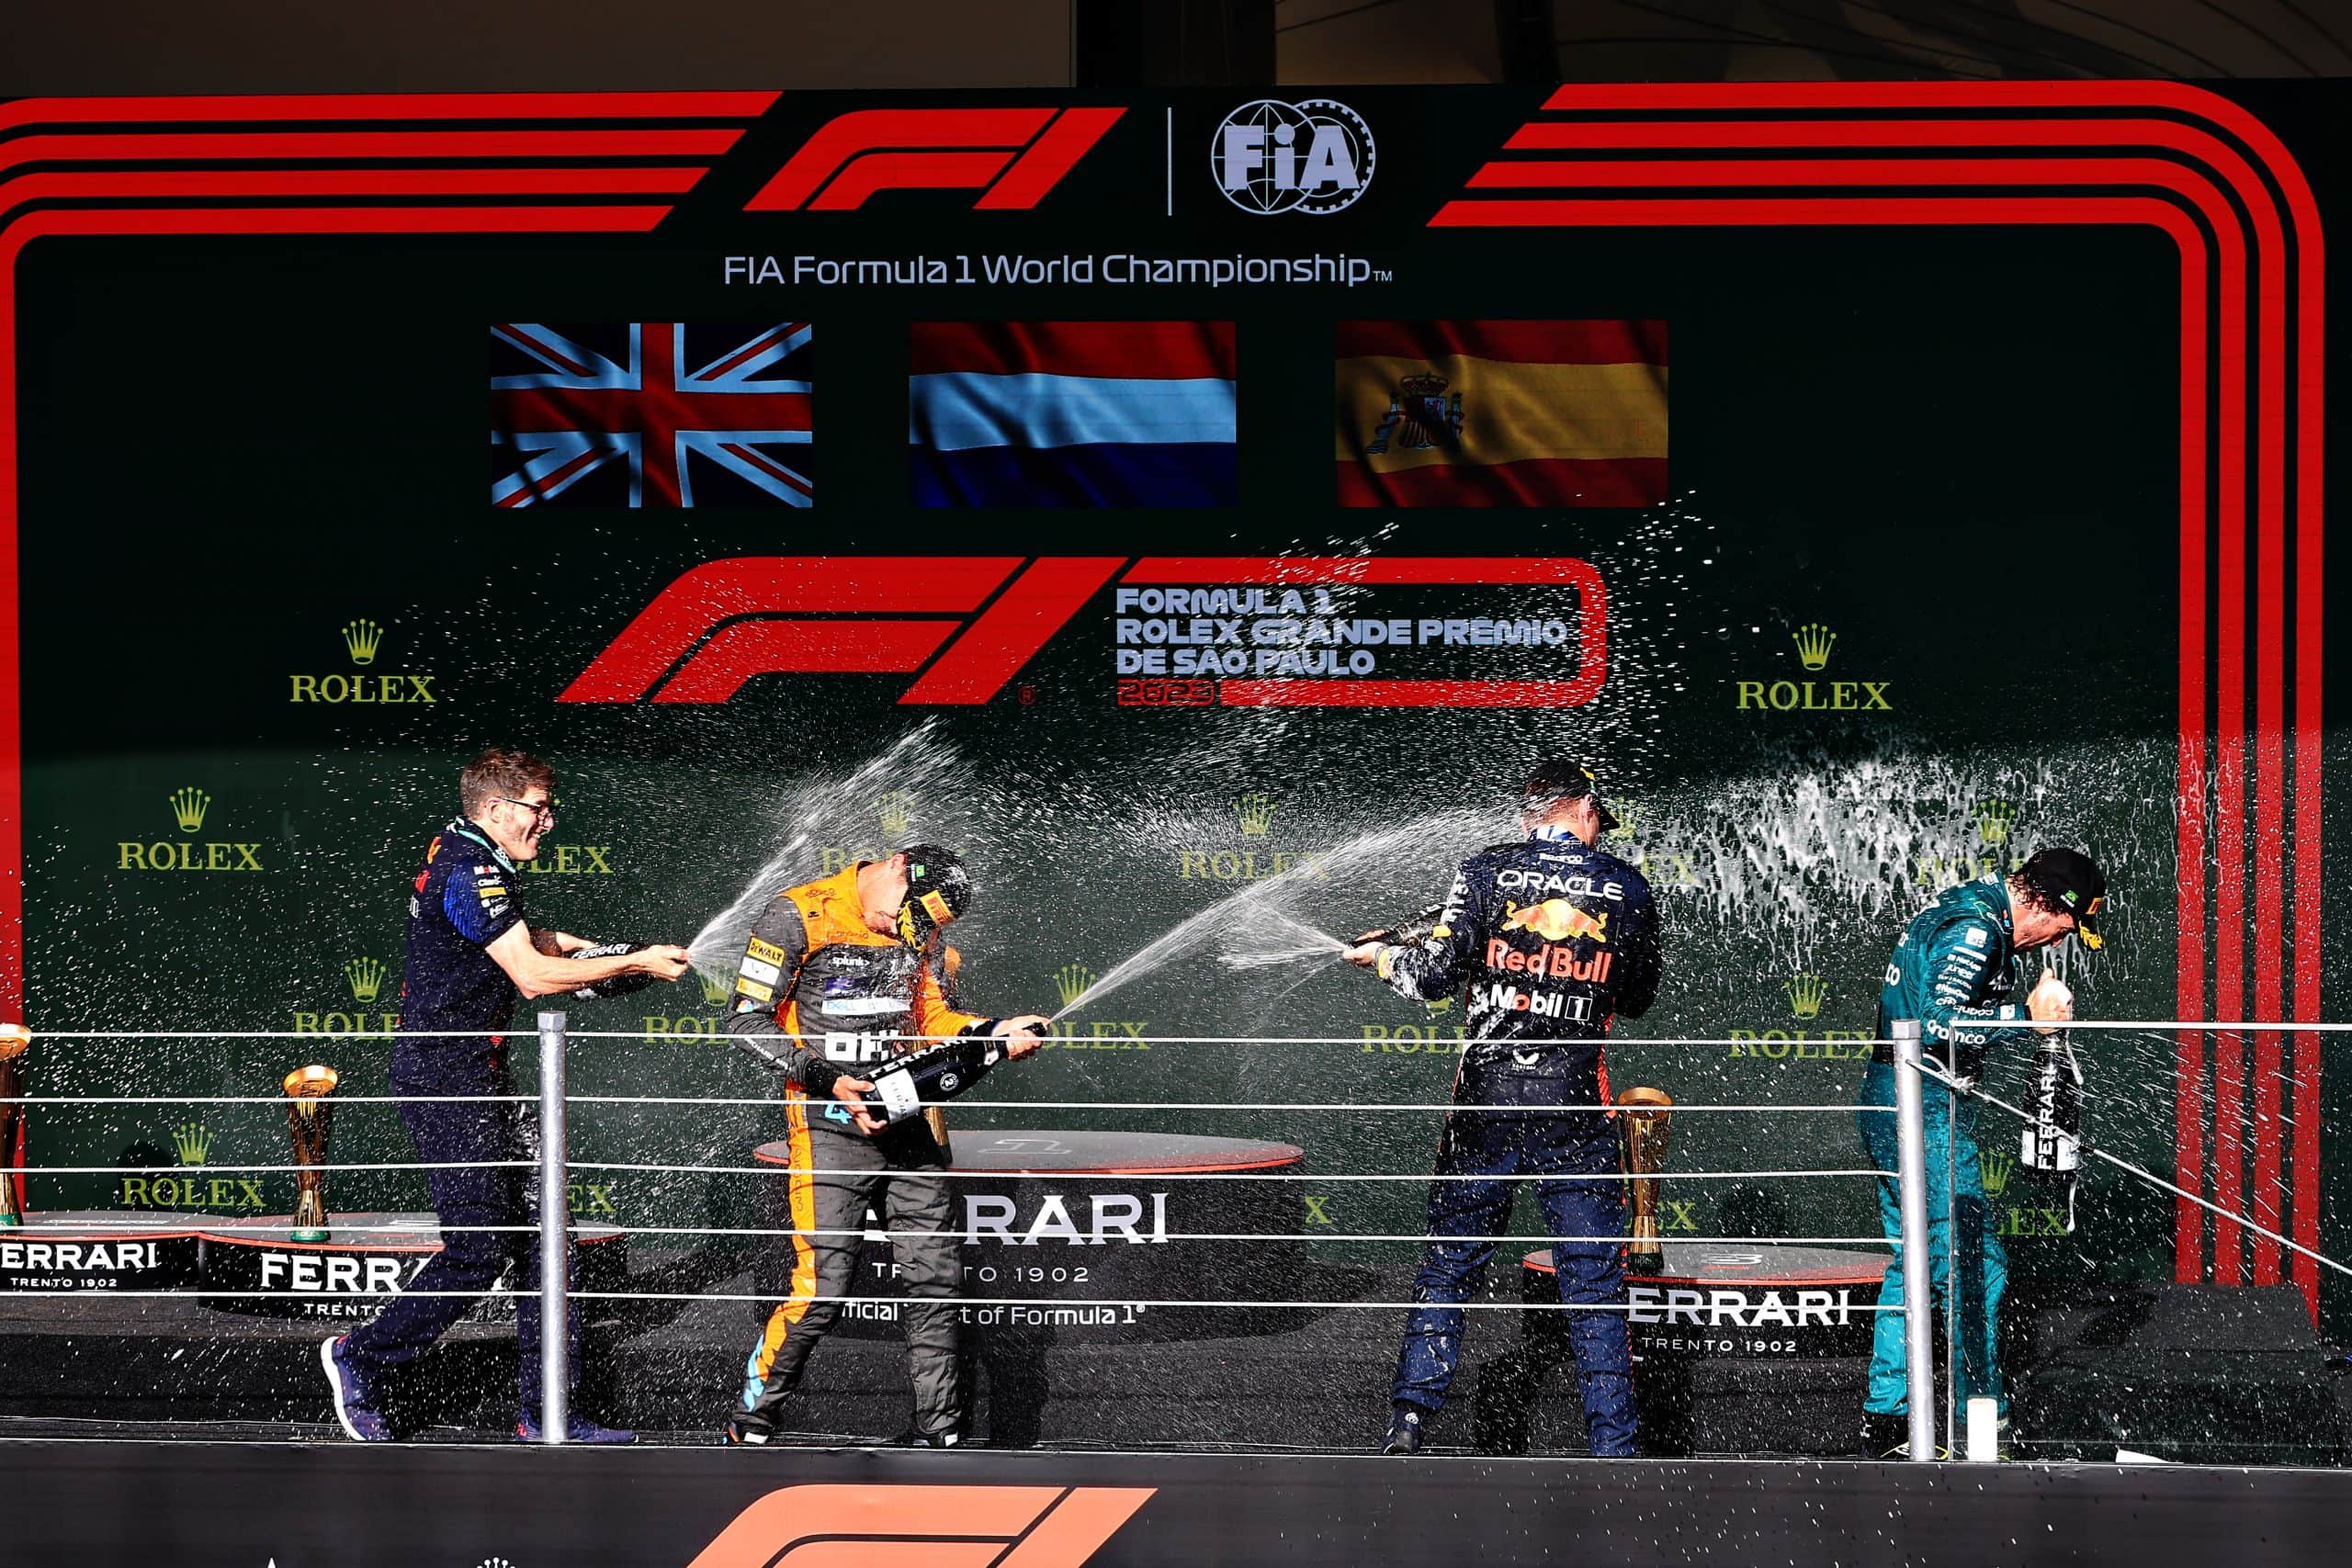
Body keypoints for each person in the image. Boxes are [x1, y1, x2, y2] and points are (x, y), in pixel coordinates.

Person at [320, 748, 691, 1443]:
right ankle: (359, 1355)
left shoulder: (474, 852)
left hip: (479, 1078)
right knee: (479, 1247)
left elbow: (527, 940)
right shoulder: (470, 867)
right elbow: (527, 971)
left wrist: (608, 955)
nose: (548, 820)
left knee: (552, 1244)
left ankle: (548, 1409)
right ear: (496, 809)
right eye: (538, 807)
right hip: (443, 1079)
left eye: (548, 806)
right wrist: (633, 962)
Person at [1346, 760, 1662, 1458]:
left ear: (1530, 815)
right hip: (1577, 1110)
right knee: (1593, 1282)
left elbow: (1432, 977)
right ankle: (1615, 1446)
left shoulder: (1485, 869)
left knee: (1449, 1267)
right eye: (1596, 818)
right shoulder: (1628, 886)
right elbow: (1637, 998)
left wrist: (1381, 961)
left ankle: (1408, 1423)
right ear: (1581, 809)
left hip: (1484, 1105)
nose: (1597, 828)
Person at [718, 844, 1049, 1448]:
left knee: (937, 1280)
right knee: (824, 1285)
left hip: (913, 1123)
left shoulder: (919, 928)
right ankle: (752, 1418)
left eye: (923, 927)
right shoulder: (798, 912)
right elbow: (745, 1020)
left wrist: (994, 1033)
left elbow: (933, 1018)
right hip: (827, 1124)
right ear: (897, 867)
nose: (909, 930)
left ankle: (938, 1430)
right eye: (909, 914)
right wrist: (826, 1079)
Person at [1859, 847, 2105, 1458]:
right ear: (2045, 904)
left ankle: (1888, 1416)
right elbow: (1935, 1022)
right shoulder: (1976, 927)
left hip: (1899, 1096)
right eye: (2067, 927)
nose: (2060, 941)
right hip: (1919, 1105)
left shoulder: (1978, 906)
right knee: (1975, 1265)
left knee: (1913, 1260)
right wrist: (2025, 1015)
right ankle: (1979, 1418)